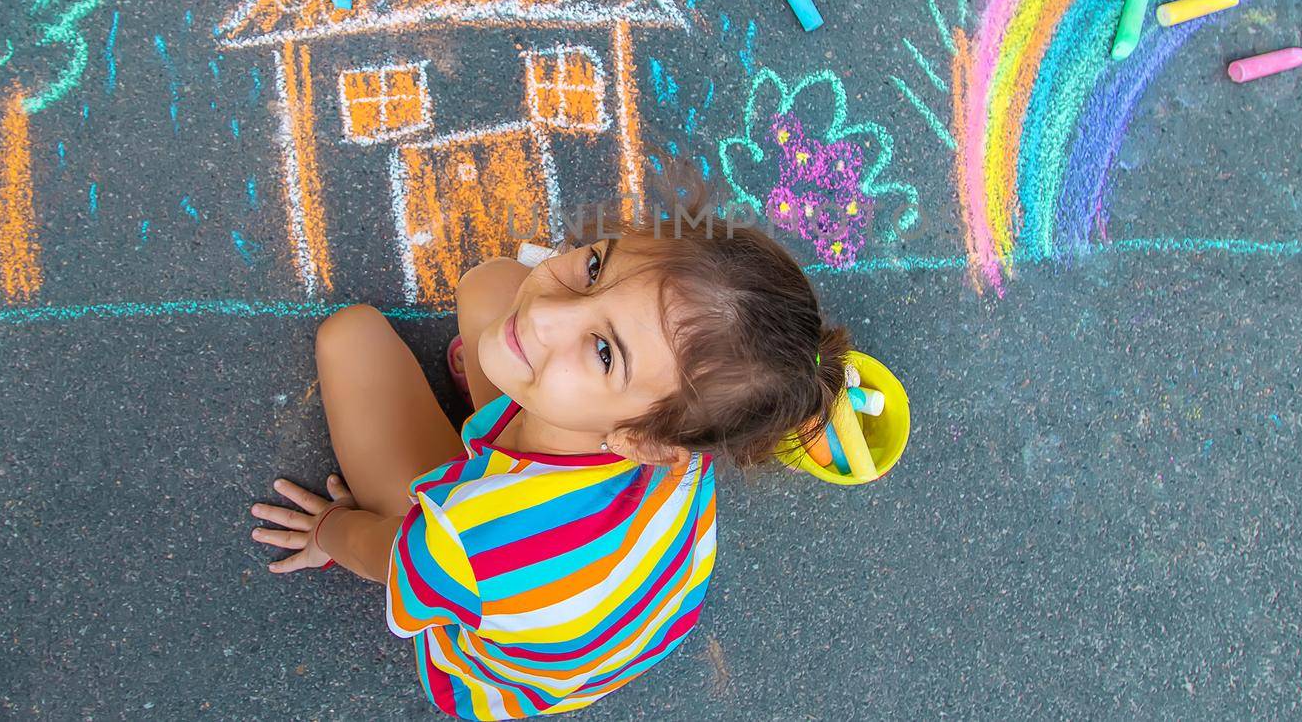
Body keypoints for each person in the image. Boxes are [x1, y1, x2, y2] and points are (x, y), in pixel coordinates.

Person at [247, 198, 851, 718]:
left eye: (605, 353)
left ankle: (505, 398)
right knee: (493, 286)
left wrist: (330, 531)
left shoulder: (468, 536)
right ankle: (517, 396)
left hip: (492, 661)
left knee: (348, 336)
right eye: (595, 267)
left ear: (644, 442)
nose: (541, 314)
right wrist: (559, 362)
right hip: (610, 615)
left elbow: (388, 557)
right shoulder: (682, 431)